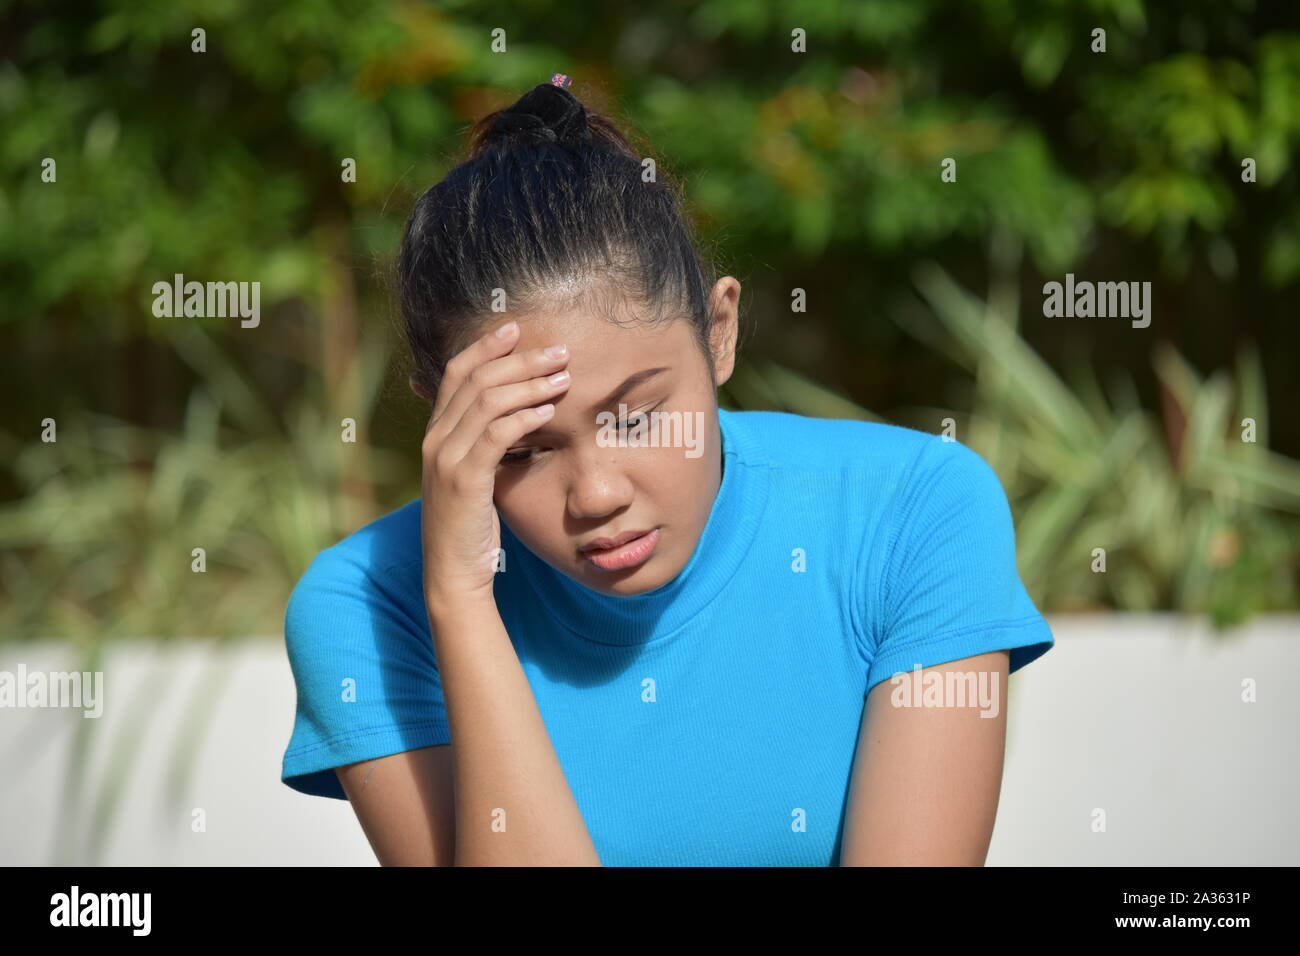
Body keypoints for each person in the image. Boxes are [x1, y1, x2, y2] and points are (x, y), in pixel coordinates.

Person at [279, 74, 1055, 866]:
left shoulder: (912, 510)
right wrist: (460, 598)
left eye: (637, 416)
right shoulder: (371, 605)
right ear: (440, 419)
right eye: (520, 448)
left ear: (719, 331)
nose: (599, 495)